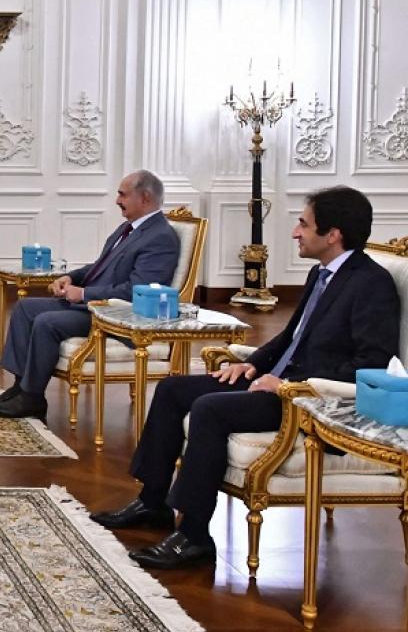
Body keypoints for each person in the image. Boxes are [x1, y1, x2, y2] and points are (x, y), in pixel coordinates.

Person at [90, 185, 400, 569]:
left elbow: (370, 362)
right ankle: (153, 503)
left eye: (303, 224)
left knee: (210, 409)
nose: (295, 232)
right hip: (274, 382)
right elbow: (292, 337)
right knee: (172, 389)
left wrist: (287, 386)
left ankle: (194, 537)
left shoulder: (370, 284)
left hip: (308, 399)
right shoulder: (321, 274)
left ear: (333, 234)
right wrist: (253, 365)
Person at [0, 169, 180, 420]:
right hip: (94, 305)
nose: (117, 200)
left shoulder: (160, 237)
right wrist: (71, 278)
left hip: (115, 316)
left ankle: (32, 398)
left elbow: (136, 290)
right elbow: (100, 266)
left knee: (46, 322)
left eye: (122, 195)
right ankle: (20, 388)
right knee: (24, 308)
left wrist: (84, 293)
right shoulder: (127, 228)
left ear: (145, 198)